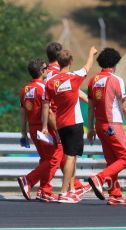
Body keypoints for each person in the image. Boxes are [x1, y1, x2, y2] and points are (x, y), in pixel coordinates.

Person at [42, 46, 98, 203]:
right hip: (74, 122)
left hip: (60, 123)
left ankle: (72, 189)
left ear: (57, 62)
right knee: (70, 157)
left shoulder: (50, 81)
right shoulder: (74, 77)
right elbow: (88, 66)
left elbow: (46, 104)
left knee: (69, 156)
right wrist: (90, 53)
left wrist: (45, 125)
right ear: (70, 62)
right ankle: (64, 192)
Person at [87, 48, 126, 205]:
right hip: (113, 125)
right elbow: (124, 106)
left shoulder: (93, 80)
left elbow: (90, 107)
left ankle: (115, 195)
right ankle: (99, 178)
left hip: (100, 125)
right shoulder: (116, 80)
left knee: (112, 161)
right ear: (115, 63)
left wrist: (91, 128)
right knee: (124, 158)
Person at [18, 59, 62, 202]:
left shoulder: (24, 89)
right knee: (54, 158)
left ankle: (44, 191)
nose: (48, 70)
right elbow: (48, 112)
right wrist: (57, 131)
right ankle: (28, 180)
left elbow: (23, 112)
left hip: (32, 128)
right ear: (42, 71)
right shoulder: (44, 88)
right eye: (46, 69)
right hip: (45, 129)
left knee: (45, 159)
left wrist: (23, 132)